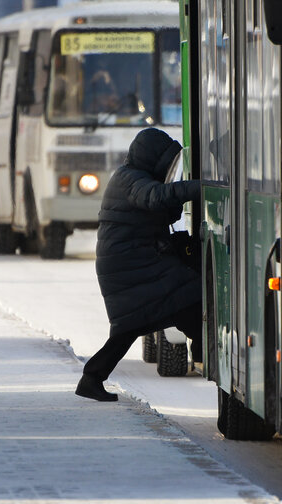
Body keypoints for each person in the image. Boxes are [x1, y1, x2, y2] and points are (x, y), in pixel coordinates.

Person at [76, 128, 202, 402]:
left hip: (130, 263)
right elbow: (155, 197)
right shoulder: (130, 180)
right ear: (152, 158)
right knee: (186, 295)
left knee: (133, 325)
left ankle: (92, 378)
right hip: (130, 264)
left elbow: (159, 209)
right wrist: (200, 187)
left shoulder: (130, 176)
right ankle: (204, 349)